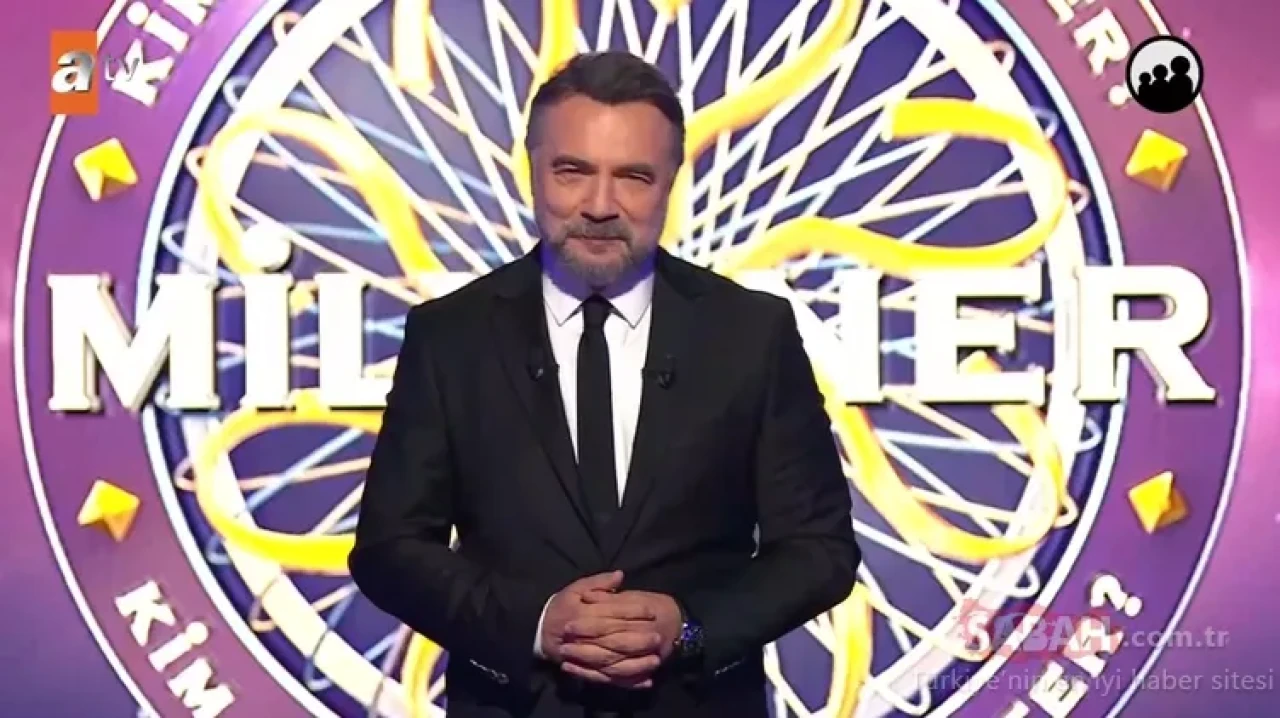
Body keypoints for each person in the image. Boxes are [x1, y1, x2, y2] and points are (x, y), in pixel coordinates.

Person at [350, 50, 861, 718]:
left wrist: (689, 628)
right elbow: (389, 550)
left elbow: (819, 551)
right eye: (572, 171)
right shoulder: (450, 337)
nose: (599, 206)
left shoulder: (752, 334)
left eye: (633, 177)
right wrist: (535, 623)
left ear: (670, 184)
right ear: (532, 171)